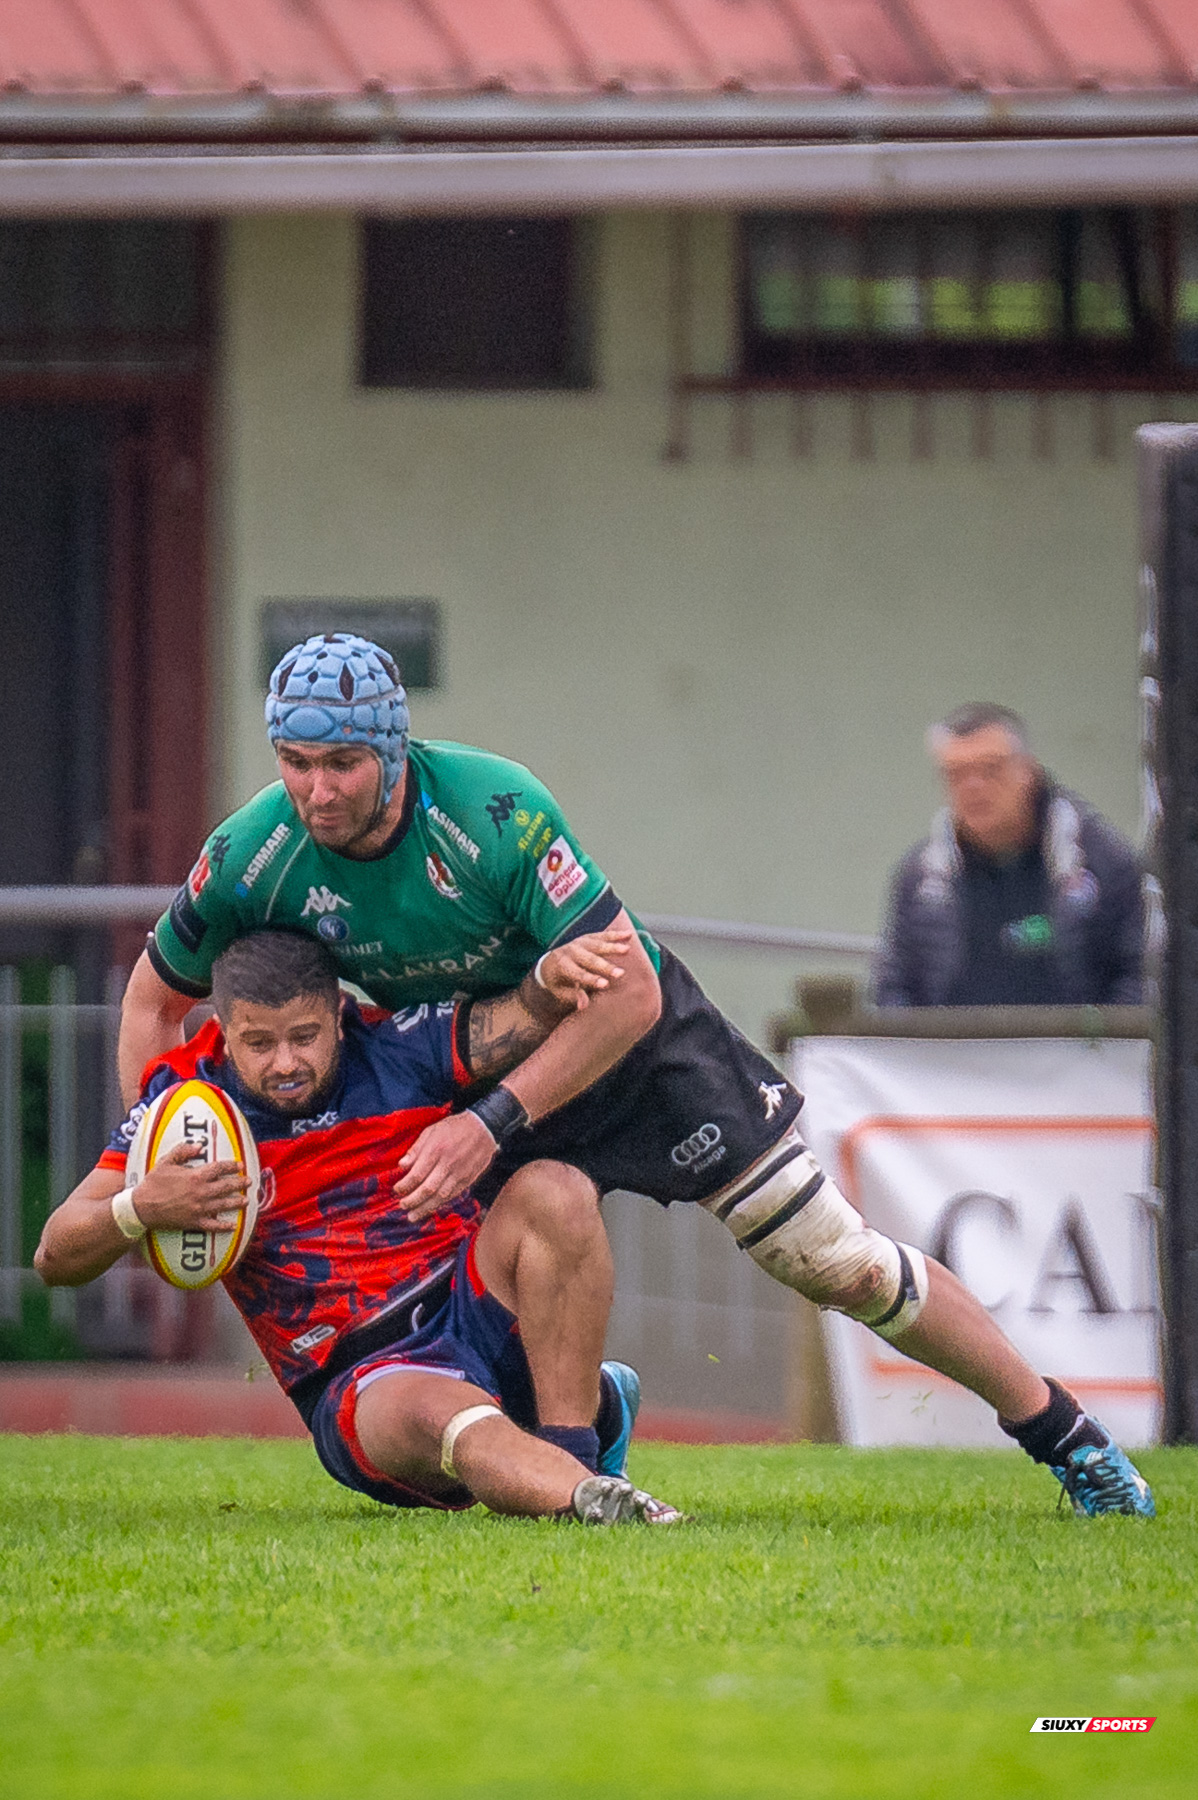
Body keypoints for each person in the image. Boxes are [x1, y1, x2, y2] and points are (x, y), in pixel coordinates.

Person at [117, 636, 1154, 1516]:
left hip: (636, 1057)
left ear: (394, 749)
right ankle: (580, 1471)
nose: (316, 790)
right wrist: (163, 1145)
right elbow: (152, 1004)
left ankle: (1069, 1439)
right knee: (481, 1310)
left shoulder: (493, 810)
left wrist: (490, 1121)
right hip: (471, 1072)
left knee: (835, 1262)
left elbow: (628, 995)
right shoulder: (253, 851)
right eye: (296, 762)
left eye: (342, 762)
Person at [38, 929, 681, 1526]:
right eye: (259, 1044)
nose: (285, 1062)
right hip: (364, 1374)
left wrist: (550, 977)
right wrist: (141, 1208)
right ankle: (593, 1496)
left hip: (470, 1300)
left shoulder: (398, 1046)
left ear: (339, 1016)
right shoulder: (187, 1105)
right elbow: (53, 1255)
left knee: (556, 1188)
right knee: (448, 1415)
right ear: (224, 1033)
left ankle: (582, 1450)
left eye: (305, 1036)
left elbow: (525, 1015)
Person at [874, 702, 1145, 1008]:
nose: (973, 787)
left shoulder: (1102, 862)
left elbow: (1140, 977)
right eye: (957, 774)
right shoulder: (920, 880)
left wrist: (1101, 1037)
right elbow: (893, 991)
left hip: (1077, 1039)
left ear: (1028, 772)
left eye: (991, 769)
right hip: (952, 1040)